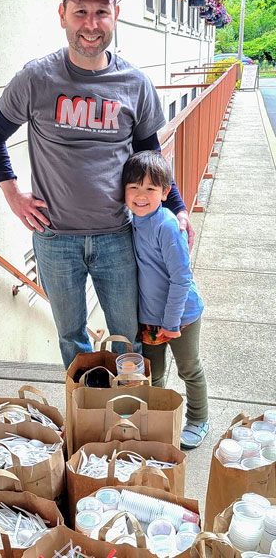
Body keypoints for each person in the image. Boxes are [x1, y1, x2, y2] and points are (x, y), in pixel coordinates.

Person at [0, 0, 194, 369]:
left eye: (101, 12)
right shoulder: (35, 79)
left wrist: (177, 208)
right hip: (55, 239)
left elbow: (150, 156)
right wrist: (12, 193)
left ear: (115, 17)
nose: (91, 24)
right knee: (71, 337)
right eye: (81, 11)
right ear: (62, 14)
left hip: (117, 235)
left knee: (127, 338)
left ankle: (127, 424)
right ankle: (87, 422)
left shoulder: (134, 83)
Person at [122, 150, 209, 449]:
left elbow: (181, 277)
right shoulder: (132, 221)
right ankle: (158, 419)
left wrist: (171, 323)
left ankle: (199, 419)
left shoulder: (167, 225)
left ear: (165, 192)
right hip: (150, 318)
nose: (141, 195)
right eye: (133, 187)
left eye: (150, 188)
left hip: (181, 316)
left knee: (189, 369)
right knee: (153, 374)